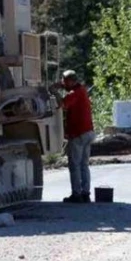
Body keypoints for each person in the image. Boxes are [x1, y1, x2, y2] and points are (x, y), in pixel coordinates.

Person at [55, 70, 95, 203]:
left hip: (78, 133)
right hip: (88, 131)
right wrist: (62, 87)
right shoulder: (81, 90)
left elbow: (62, 104)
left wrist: (55, 91)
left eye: (64, 81)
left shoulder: (74, 93)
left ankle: (76, 194)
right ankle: (86, 193)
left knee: (74, 165)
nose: (63, 84)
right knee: (84, 164)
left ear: (70, 81)